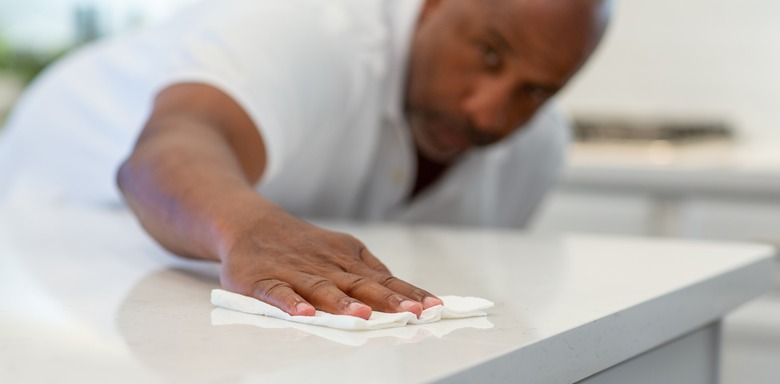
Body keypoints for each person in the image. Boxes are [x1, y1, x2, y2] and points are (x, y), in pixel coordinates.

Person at [0, 0, 610, 319]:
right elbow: (169, 147)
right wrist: (251, 227)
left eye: (537, 91)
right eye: (490, 53)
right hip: (62, 201)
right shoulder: (314, 26)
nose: (489, 113)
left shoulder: (537, 152)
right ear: (432, 4)